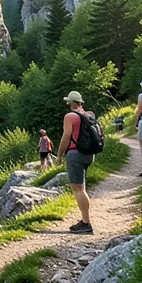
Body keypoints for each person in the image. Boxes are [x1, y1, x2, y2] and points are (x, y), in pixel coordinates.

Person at [57, 91, 95, 234]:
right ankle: (85, 220)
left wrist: (59, 154)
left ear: (71, 103)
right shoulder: (89, 115)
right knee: (82, 187)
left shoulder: (70, 116)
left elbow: (66, 136)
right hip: (88, 154)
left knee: (78, 189)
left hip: (75, 154)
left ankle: (86, 222)